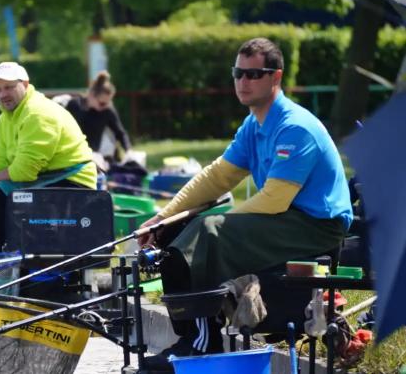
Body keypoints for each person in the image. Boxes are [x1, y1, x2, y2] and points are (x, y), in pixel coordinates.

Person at [139, 37, 352, 370]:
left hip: (316, 227)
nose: (243, 81)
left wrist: (212, 228)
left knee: (206, 232)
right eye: (238, 73)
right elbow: (217, 177)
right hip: (285, 219)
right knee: (177, 232)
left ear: (276, 77)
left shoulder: (295, 128)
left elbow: (274, 201)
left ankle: (200, 347)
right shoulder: (254, 124)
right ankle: (192, 340)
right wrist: (162, 219)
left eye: (254, 74)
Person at [0, 62, 98, 252]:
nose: (3, 94)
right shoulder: (6, 117)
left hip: (73, 183)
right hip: (46, 178)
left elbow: (24, 171)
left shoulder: (38, 113)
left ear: (26, 84)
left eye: (9, 87)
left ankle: (0, 268)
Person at [60, 70, 131, 158]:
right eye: (102, 103)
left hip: (93, 155)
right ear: (91, 95)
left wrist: (128, 151)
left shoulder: (106, 110)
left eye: (109, 103)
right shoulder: (75, 105)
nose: (106, 106)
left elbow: (120, 133)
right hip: (71, 153)